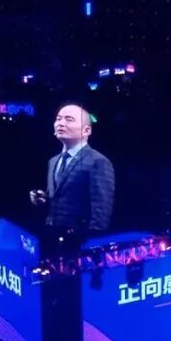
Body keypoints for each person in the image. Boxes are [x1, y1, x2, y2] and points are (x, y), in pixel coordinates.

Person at [30, 103, 115, 242]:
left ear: (86, 130)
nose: (61, 123)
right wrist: (43, 199)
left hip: (78, 241)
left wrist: (89, 242)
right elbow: (58, 197)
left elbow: (101, 210)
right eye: (58, 119)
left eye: (69, 119)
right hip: (51, 238)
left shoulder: (98, 161)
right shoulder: (53, 161)